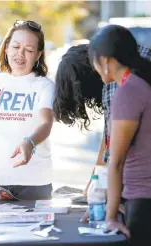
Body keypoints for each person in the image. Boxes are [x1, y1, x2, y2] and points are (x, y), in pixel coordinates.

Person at [53, 43, 151, 221]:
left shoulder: (118, 84)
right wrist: (96, 179)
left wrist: (106, 202)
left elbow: (116, 154)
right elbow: (109, 136)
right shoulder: (121, 54)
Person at [0, 20, 54, 200]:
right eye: (15, 46)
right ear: (6, 47)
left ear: (39, 54)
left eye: (29, 50)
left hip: (34, 185)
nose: (20, 54)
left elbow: (46, 123)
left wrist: (29, 142)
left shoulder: (44, 85)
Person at [88, 24, 151, 245]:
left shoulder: (128, 91)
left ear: (104, 60)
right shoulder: (143, 82)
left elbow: (116, 161)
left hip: (143, 201)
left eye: (94, 62)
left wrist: (111, 216)